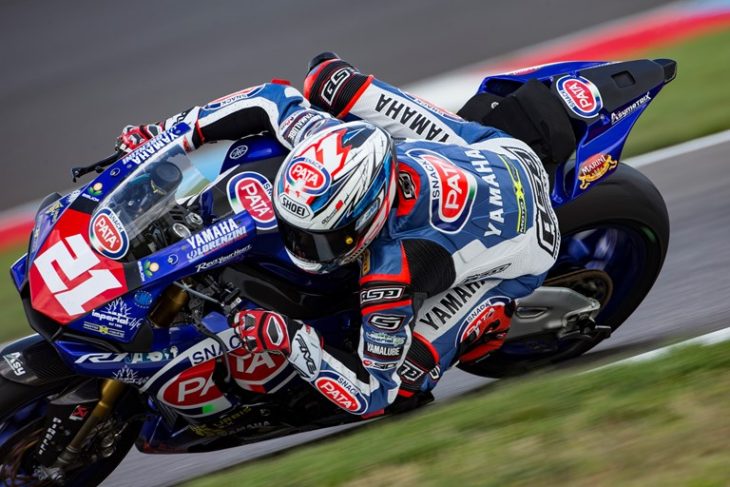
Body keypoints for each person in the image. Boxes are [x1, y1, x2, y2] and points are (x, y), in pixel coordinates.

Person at [115, 54, 560, 416]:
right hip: (493, 151)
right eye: (301, 233)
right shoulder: (323, 135)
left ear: (371, 215)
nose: (305, 248)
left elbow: (375, 392)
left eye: (325, 239)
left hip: (529, 236)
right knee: (327, 79)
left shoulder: (391, 271)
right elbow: (270, 98)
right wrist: (167, 136)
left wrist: (289, 339)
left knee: (407, 383)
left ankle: (494, 320)